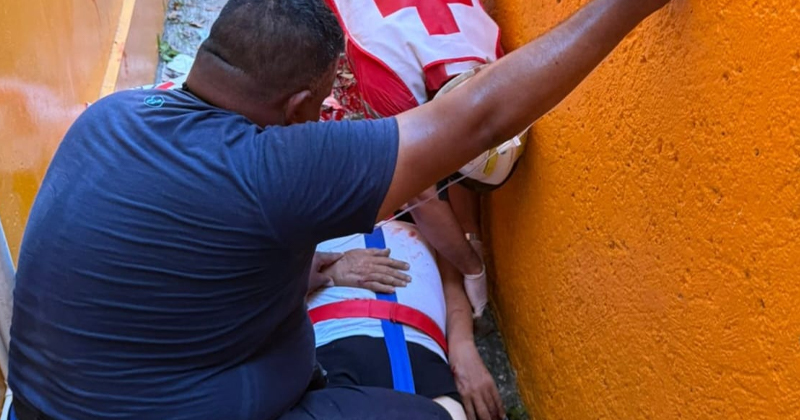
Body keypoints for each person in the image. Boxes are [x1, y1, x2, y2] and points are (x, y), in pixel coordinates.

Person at [7, 0, 672, 418]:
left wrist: (314, 272)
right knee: (437, 414)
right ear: (298, 106)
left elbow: (184, 256)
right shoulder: (272, 168)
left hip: (46, 402)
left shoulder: (113, 115)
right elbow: (480, 118)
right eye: (326, 96)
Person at [322, 0, 505, 318]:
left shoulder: (491, 57)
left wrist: (470, 233)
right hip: (373, 54)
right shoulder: (393, 83)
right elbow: (418, 192)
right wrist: (472, 267)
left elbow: (461, 137)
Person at [307, 221, 505, 420]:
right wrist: (325, 272)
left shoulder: (434, 217)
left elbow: (451, 282)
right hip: (336, 341)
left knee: (451, 412)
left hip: (421, 351)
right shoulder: (304, 208)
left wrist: (463, 346)